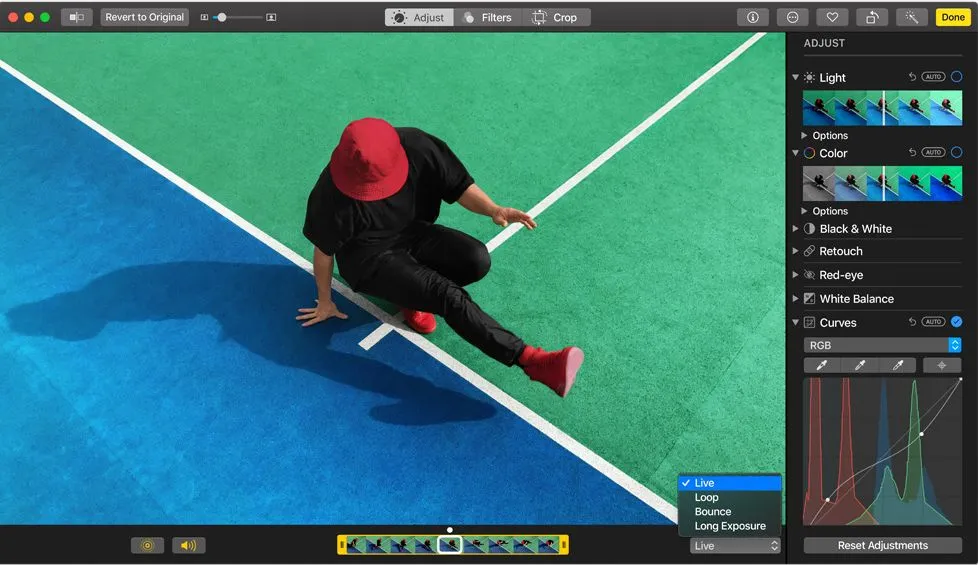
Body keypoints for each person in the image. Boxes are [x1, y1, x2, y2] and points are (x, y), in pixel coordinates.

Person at [298, 118, 584, 397]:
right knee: (446, 296)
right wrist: (325, 301)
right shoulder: (331, 191)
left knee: (476, 259)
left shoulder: (420, 147)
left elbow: (458, 186)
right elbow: (324, 251)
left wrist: (493, 209)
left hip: (413, 233)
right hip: (369, 259)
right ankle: (532, 361)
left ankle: (410, 295)